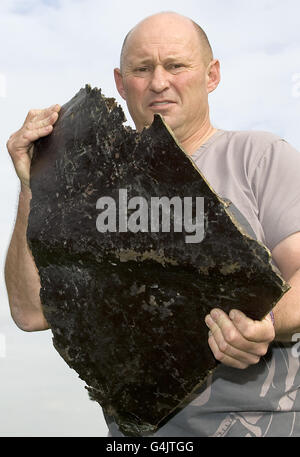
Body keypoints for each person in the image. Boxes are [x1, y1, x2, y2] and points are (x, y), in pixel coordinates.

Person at [5, 11, 300, 437]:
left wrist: (268, 322)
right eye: (142, 69)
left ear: (211, 74)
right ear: (121, 83)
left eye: (176, 65)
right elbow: (30, 312)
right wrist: (35, 184)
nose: (159, 82)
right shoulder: (88, 194)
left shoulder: (259, 157)